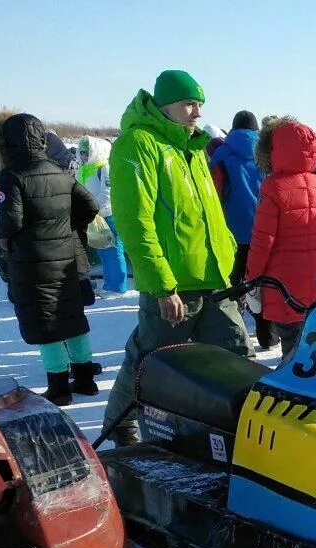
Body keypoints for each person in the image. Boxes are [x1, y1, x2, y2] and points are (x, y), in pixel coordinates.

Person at [102, 68, 253, 445]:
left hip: (213, 276)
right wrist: (160, 284)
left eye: (199, 104)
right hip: (174, 284)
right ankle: (119, 425)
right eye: (188, 104)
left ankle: (238, 431)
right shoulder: (137, 145)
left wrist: (228, 251)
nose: (197, 112)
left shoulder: (191, 146)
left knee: (236, 352)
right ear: (164, 105)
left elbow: (209, 211)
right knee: (151, 361)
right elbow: (135, 221)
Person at [0, 113, 102, 405]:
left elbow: (10, 222)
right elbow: (91, 204)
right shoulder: (59, 171)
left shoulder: (12, 175)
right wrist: (66, 226)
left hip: (32, 264)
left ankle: (59, 387)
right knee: (72, 318)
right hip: (66, 260)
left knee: (47, 324)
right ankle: (85, 379)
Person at [246, 117, 316, 360]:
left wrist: (252, 279)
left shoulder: (272, 186)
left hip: (282, 283)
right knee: (310, 345)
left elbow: (263, 241)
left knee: (291, 350)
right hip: (315, 279)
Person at [209, 110, 269, 346]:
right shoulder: (267, 153)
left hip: (232, 231)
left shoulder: (221, 154)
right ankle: (267, 335)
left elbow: (214, 193)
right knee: (263, 281)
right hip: (264, 228)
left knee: (233, 283)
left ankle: (234, 332)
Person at [77, 135, 129, 295]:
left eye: (87, 152)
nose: (84, 156)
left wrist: (91, 208)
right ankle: (110, 283)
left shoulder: (104, 168)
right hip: (94, 216)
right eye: (83, 153)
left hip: (106, 214)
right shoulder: (86, 169)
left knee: (113, 249)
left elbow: (107, 193)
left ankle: (117, 287)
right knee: (103, 250)